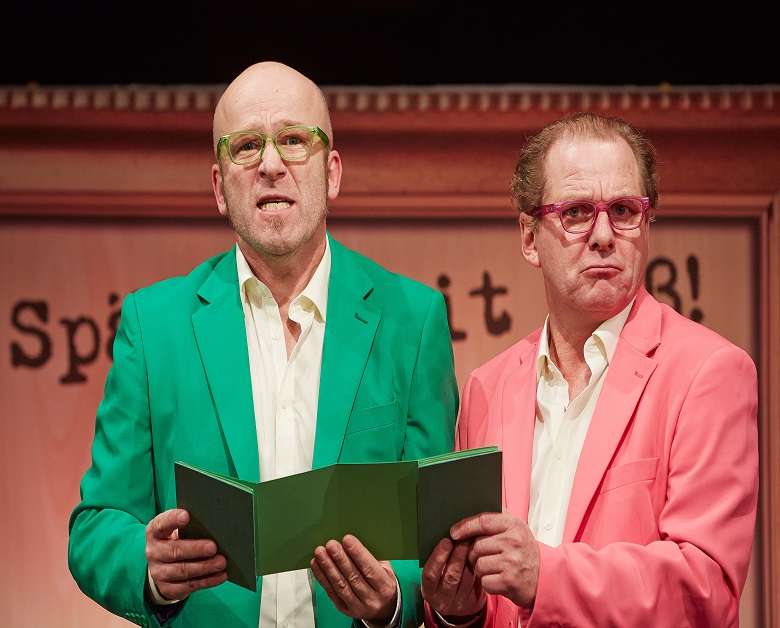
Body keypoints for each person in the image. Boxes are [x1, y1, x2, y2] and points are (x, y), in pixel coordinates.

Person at [68, 61, 458, 628]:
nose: (271, 165)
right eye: (247, 146)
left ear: (332, 173)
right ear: (219, 187)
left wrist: (394, 600)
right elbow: (96, 524)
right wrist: (147, 568)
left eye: (294, 140)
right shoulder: (154, 326)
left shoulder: (413, 320)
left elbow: (438, 531)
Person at [420, 112, 758, 627]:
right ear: (529, 238)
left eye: (623, 210)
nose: (604, 235)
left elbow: (706, 587)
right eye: (576, 212)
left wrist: (547, 577)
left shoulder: (709, 372)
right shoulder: (487, 386)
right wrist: (459, 612)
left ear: (647, 224)